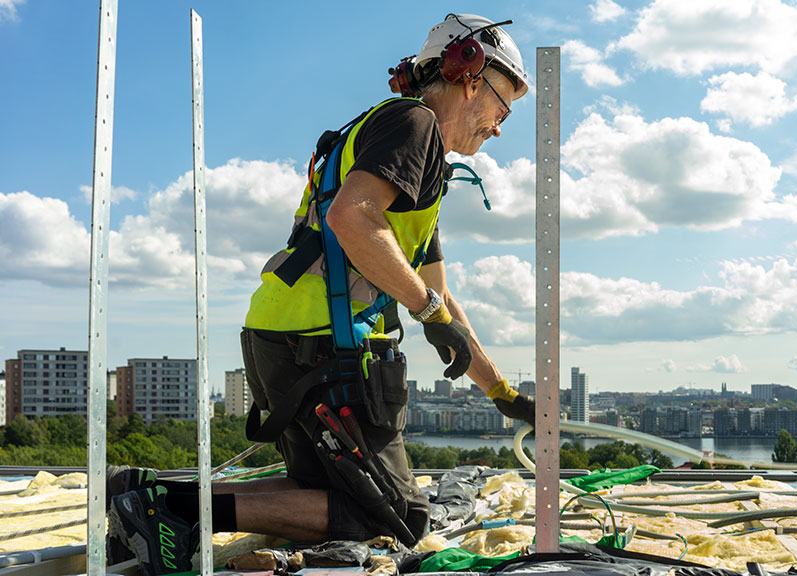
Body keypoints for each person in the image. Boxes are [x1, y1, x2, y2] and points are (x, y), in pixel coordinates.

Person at [107, 14, 536, 576]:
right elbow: (352, 218)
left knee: (325, 489)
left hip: (284, 336)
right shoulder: (415, 124)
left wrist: (502, 393)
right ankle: (170, 510)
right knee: (396, 517)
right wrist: (428, 312)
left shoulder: (407, 159)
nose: (500, 128)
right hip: (322, 349)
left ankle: (143, 495)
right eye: (504, 107)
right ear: (472, 77)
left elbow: (440, 299)